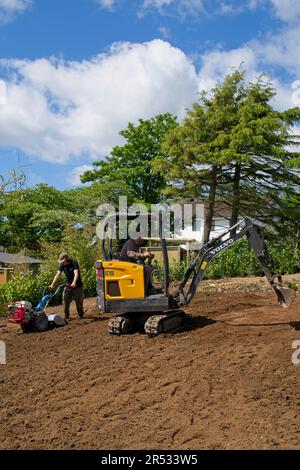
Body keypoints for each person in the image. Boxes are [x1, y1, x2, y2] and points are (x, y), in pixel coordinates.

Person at [49, 253, 84, 321]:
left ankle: (80, 315)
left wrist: (74, 282)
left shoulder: (74, 263)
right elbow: (58, 275)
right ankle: (66, 316)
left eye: (63, 261)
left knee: (78, 301)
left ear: (66, 259)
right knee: (65, 299)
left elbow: (76, 273)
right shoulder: (62, 265)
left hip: (77, 286)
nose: (62, 263)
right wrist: (52, 284)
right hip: (68, 285)